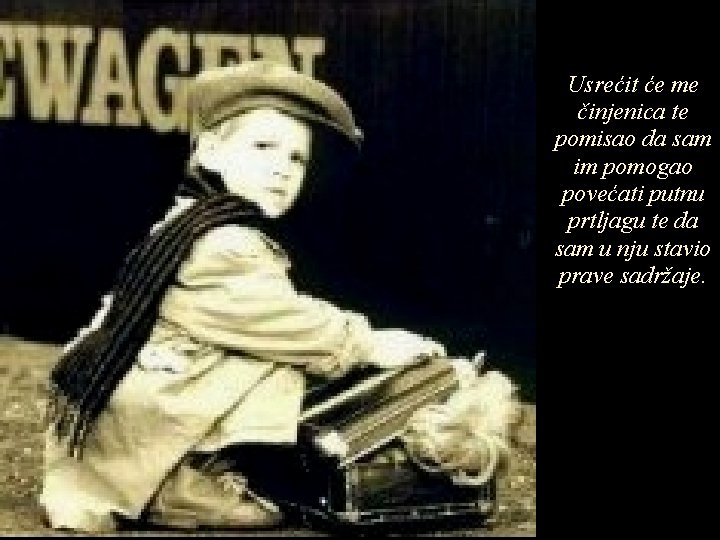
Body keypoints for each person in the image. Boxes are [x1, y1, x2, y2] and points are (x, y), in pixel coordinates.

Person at [39, 60, 447, 532]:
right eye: (263, 146)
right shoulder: (222, 244)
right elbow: (283, 322)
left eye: (296, 158)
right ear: (210, 151)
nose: (282, 167)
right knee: (285, 358)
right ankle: (179, 483)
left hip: (121, 413)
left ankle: (193, 467)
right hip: (139, 427)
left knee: (277, 356)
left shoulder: (194, 221)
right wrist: (370, 343)